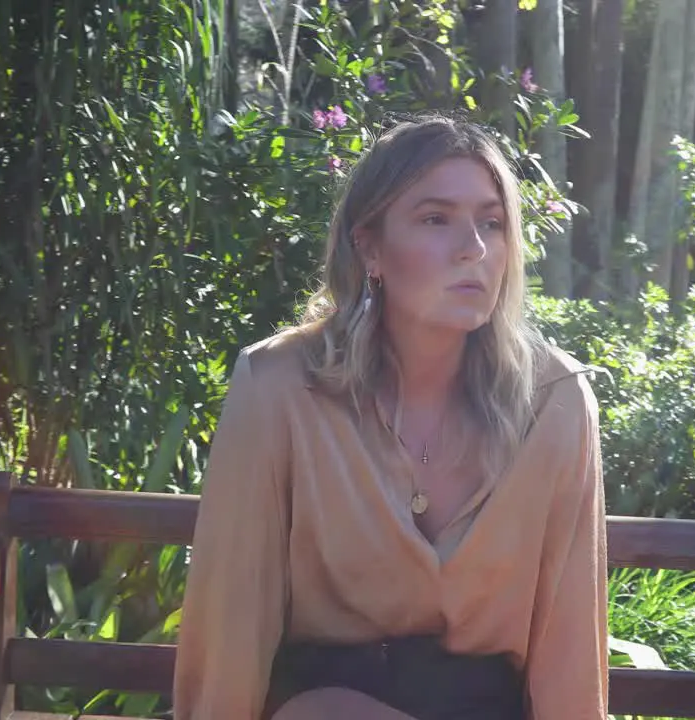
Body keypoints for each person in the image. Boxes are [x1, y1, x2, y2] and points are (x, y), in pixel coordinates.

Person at [172, 116, 608, 720]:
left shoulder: (555, 400)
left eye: (492, 223)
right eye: (436, 219)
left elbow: (569, 640)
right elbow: (234, 617)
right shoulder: (279, 387)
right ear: (369, 246)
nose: (473, 249)